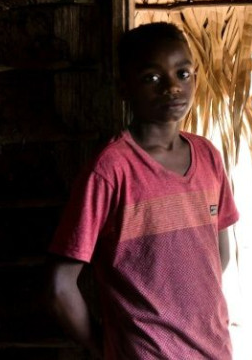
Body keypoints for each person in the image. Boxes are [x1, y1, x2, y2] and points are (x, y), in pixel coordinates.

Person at [46, 22, 239, 359]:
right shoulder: (111, 170)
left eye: (183, 73)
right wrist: (105, 347)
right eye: (152, 78)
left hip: (213, 350)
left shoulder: (208, 157)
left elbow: (217, 254)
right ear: (124, 88)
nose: (172, 88)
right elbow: (60, 285)